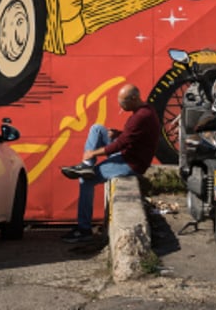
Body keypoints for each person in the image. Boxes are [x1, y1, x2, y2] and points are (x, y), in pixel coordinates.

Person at [59, 82, 160, 243]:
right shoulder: (145, 109)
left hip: (131, 162)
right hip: (128, 152)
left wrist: (94, 153)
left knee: (85, 180)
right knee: (97, 129)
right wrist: (118, 133)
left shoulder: (141, 117)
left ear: (134, 99)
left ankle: (84, 229)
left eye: (123, 103)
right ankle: (86, 165)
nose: (121, 106)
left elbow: (120, 145)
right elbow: (131, 137)